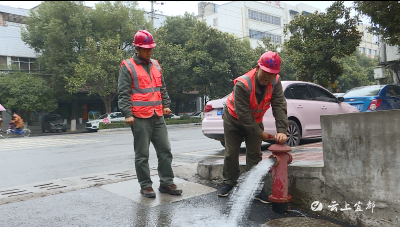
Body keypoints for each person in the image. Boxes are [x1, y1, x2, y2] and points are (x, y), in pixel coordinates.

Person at [117, 30, 182, 198]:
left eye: (151, 48)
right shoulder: (128, 66)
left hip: (157, 115)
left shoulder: (156, 65)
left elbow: (162, 88)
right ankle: (145, 185)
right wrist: (127, 113)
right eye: (145, 49)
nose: (149, 51)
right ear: (137, 48)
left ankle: (166, 182)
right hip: (139, 117)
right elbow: (123, 93)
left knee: (165, 150)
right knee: (142, 155)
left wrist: (166, 105)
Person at [217, 51, 288, 203]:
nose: (267, 76)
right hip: (234, 119)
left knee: (255, 154)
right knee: (231, 152)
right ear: (258, 67)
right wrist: (261, 134)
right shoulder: (243, 84)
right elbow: (244, 116)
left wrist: (282, 130)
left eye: (271, 73)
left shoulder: (275, 82)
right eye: (265, 71)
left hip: (255, 119)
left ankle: (255, 188)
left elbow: (279, 105)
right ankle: (229, 183)